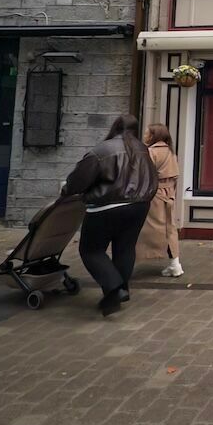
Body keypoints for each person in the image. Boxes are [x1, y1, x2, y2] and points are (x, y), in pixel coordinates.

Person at [62, 114, 157, 316]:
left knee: (91, 250)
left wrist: (68, 190)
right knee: (125, 248)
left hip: (106, 206)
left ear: (115, 127)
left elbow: (78, 180)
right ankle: (120, 290)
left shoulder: (102, 150)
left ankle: (114, 289)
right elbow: (153, 177)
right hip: (139, 206)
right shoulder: (143, 150)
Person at [136, 123, 183, 277]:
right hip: (169, 194)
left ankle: (133, 259)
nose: (144, 136)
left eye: (147, 133)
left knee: (151, 229)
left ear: (153, 136)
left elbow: (143, 175)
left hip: (154, 194)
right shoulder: (170, 152)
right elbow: (175, 175)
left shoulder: (150, 152)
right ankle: (175, 263)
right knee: (170, 228)